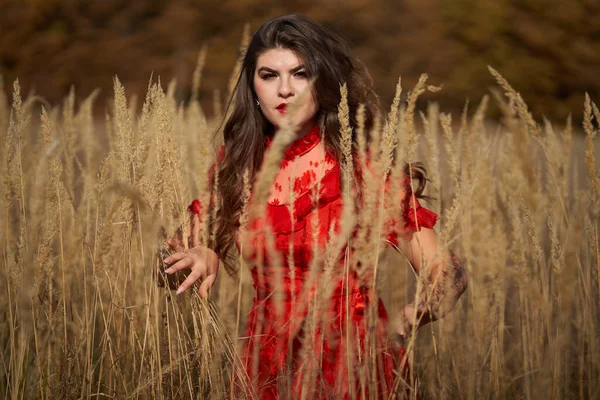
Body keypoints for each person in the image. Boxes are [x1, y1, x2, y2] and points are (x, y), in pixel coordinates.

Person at [161, 14, 468, 399]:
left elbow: (447, 269)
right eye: (269, 75)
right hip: (266, 365)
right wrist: (203, 253)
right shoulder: (239, 167)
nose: (284, 89)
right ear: (253, 88)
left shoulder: (363, 170)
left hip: (354, 362)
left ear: (323, 82)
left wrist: (424, 306)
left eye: (300, 73)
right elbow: (170, 266)